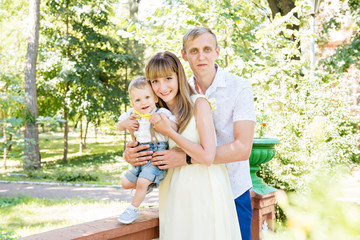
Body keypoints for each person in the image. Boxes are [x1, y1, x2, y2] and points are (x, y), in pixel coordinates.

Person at [123, 27, 256, 240]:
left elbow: (242, 149)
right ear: (184, 55)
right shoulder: (171, 91)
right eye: (193, 51)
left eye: (207, 49)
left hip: (233, 187)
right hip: (185, 189)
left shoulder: (239, 87)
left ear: (217, 51)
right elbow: (151, 133)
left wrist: (186, 158)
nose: (201, 56)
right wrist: (132, 154)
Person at [146, 51, 241, 239]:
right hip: (174, 192)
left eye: (168, 78)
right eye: (155, 81)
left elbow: (208, 156)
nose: (162, 87)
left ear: (179, 76)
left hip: (203, 189)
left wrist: (170, 132)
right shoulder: (156, 114)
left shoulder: (198, 104)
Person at [116, 76, 177, 224]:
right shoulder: (132, 114)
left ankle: (133, 209)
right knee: (125, 183)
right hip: (140, 154)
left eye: (147, 97)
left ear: (155, 98)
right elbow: (118, 126)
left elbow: (175, 127)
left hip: (155, 155)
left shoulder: (161, 112)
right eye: (137, 100)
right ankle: (148, 184)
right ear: (132, 103)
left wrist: (163, 122)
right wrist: (126, 124)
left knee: (142, 182)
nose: (143, 102)